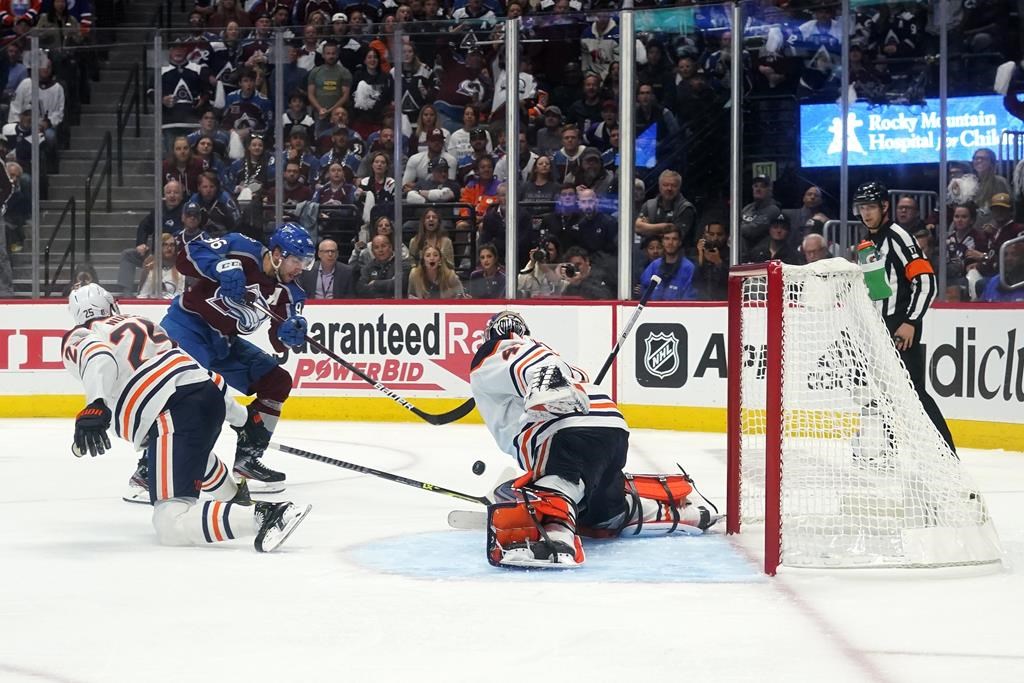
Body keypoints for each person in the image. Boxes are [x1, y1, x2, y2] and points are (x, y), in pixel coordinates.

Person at [62, 283, 311, 552]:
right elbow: (195, 367)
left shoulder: (81, 334)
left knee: (170, 523)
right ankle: (235, 498)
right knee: (193, 455)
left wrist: (95, 404)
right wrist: (241, 418)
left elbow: (99, 358)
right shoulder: (143, 323)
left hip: (169, 410)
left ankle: (264, 516)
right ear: (112, 305)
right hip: (205, 395)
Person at [469, 311, 719, 568]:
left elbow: (523, 357)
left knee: (561, 484)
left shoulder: (499, 350)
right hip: (612, 428)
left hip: (567, 434)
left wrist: (547, 386)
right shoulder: (556, 358)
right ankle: (685, 513)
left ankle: (557, 538)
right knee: (605, 515)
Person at [156, 223, 314, 489]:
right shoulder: (241, 248)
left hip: (223, 343)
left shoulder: (291, 292)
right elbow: (187, 256)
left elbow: (279, 342)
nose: (301, 268)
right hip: (187, 326)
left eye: (306, 263)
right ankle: (147, 468)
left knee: (277, 382)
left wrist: (290, 334)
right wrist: (217, 266)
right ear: (277, 254)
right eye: (297, 261)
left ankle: (248, 459)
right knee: (189, 392)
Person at [853, 181, 955, 453]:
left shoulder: (899, 236)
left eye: (871, 206)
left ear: (885, 206)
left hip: (900, 328)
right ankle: (888, 445)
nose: (866, 213)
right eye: (862, 207)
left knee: (915, 395)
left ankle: (947, 455)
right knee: (882, 391)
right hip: (879, 329)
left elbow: (925, 281)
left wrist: (911, 321)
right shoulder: (868, 241)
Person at [639, 227, 697, 300]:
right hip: (654, 310)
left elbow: (689, 298)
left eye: (674, 239)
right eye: (667, 239)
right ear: (662, 242)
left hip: (678, 310)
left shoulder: (688, 268)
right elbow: (644, 291)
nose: (670, 242)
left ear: (680, 242)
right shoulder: (654, 266)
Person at [138, 233, 186, 299]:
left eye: (172, 245)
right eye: (165, 245)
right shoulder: (150, 266)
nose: (169, 248)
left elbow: (182, 294)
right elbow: (142, 294)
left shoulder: (181, 266)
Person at [694, 220, 730, 300]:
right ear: (705, 236)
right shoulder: (700, 252)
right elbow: (695, 282)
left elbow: (732, 282)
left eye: (719, 234)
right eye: (711, 234)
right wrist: (700, 255)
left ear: (726, 236)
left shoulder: (733, 254)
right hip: (703, 302)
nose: (715, 238)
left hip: (724, 302)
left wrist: (719, 262)